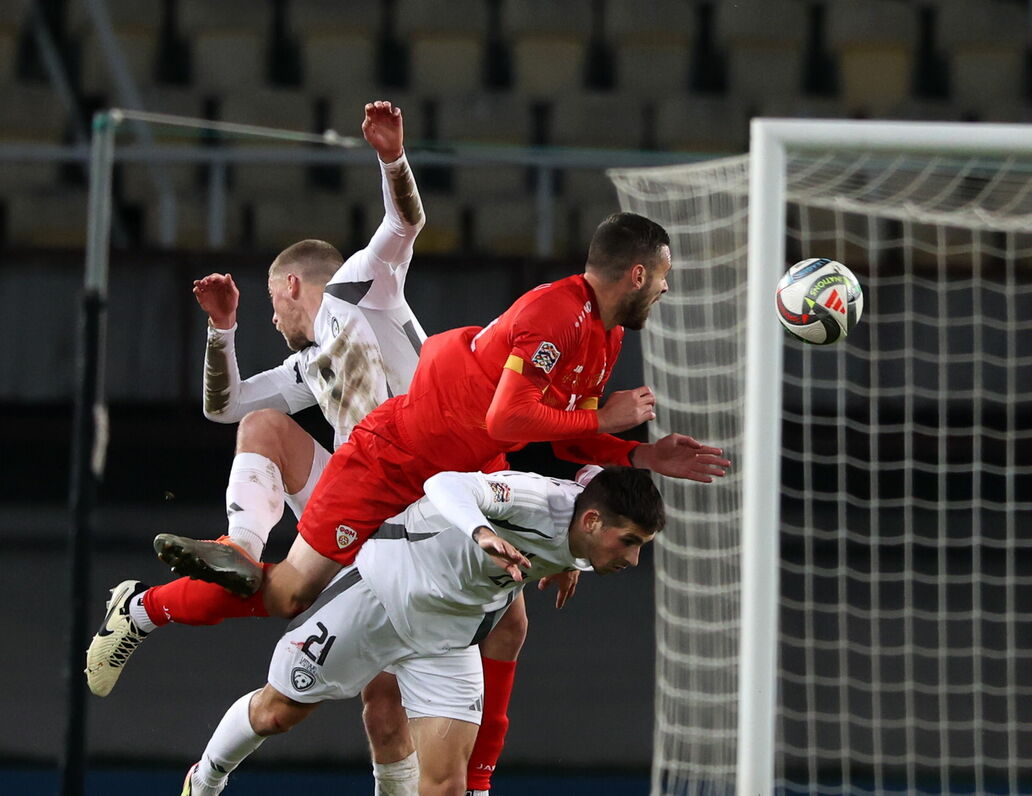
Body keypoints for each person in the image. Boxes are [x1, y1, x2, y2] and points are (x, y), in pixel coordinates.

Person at [158, 211, 732, 794]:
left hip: (446, 593)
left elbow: (568, 444)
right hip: (394, 459)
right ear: (637, 274)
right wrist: (391, 159)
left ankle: (480, 783)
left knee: (435, 732)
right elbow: (505, 418)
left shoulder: (602, 336)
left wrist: (641, 456)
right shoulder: (552, 315)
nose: (666, 287)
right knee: (285, 611)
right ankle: (161, 633)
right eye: (663, 276)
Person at [86, 100, 434, 795]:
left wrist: (392, 158)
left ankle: (143, 608)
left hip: (426, 513)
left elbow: (406, 223)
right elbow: (226, 407)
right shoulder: (308, 367)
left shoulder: (364, 287)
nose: (272, 321)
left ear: (292, 286)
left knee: (383, 707)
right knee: (263, 437)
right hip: (366, 499)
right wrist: (223, 332)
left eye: (271, 308)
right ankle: (240, 544)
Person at [179, 465, 667, 796]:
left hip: (448, 640)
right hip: (385, 592)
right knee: (276, 714)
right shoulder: (536, 501)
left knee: (445, 786)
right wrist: (481, 532)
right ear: (593, 518)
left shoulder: (588, 521)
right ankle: (204, 781)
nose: (632, 558)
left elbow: (592, 475)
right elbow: (446, 485)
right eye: (628, 542)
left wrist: (574, 558)